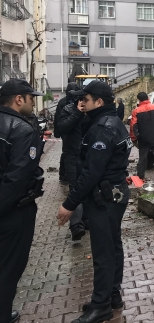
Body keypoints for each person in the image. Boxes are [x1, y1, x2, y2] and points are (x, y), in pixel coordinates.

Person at [56, 81, 131, 323]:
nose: (81, 104)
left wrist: (69, 204)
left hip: (106, 197)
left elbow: (91, 173)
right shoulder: (109, 122)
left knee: (103, 252)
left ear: (99, 102)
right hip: (113, 195)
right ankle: (112, 294)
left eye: (85, 100)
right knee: (113, 245)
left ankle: (101, 306)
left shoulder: (103, 128)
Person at [0, 79, 44, 323]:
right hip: (12, 211)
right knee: (9, 266)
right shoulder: (22, 130)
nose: (32, 102)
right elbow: (16, 178)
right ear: (19, 99)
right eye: (30, 98)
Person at [56, 85, 86, 241]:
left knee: (89, 187)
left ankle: (85, 221)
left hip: (87, 155)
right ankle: (75, 225)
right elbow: (61, 128)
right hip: (71, 154)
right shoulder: (68, 109)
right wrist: (77, 113)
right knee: (75, 188)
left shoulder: (92, 112)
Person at [53, 84, 78, 185]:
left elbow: (57, 117)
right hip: (69, 131)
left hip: (67, 131)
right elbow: (58, 117)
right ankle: (64, 174)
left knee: (66, 152)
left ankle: (64, 175)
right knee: (67, 153)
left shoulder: (63, 101)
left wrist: (57, 132)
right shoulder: (65, 102)